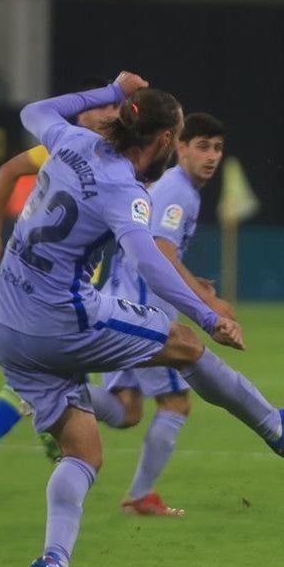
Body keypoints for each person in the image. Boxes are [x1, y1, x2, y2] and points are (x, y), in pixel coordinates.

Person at [0, 72, 284, 567]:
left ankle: (54, 563)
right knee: (185, 345)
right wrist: (208, 313)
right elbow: (151, 262)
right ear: (158, 141)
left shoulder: (70, 141)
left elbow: (34, 110)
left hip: (7, 323)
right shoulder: (122, 186)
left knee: (84, 452)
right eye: (175, 140)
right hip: (62, 320)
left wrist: (106, 88)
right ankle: (279, 429)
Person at [87, 112, 234, 517]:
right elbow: (162, 249)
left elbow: (162, 251)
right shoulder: (179, 190)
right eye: (202, 146)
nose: (211, 156)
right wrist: (207, 306)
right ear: (180, 147)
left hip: (121, 296)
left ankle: (59, 395)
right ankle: (138, 496)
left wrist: (194, 284)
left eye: (217, 148)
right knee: (176, 404)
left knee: (127, 410)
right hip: (143, 308)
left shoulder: (175, 188)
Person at [0, 77, 120, 490]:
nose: (111, 114)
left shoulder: (111, 156)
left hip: (75, 286)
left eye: (116, 108)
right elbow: (9, 169)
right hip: (53, 289)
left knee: (63, 373)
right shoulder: (68, 145)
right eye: (104, 107)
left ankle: (48, 427)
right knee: (53, 369)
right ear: (82, 115)